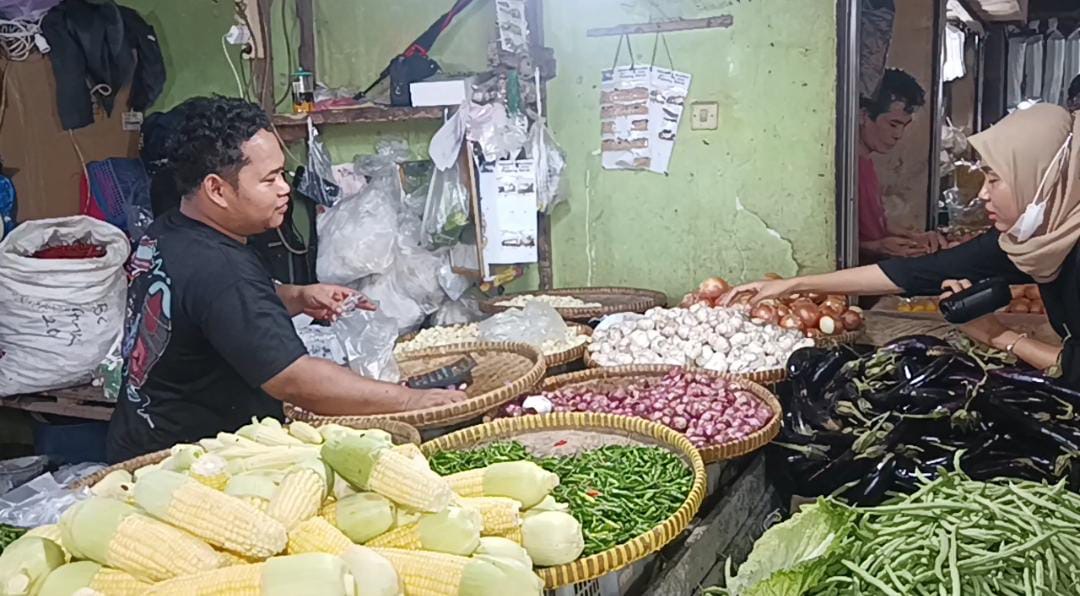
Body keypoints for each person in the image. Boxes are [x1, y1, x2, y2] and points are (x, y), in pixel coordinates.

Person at [106, 96, 466, 462]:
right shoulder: (220, 268)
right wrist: (409, 400)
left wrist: (295, 296)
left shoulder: (168, 231)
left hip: (138, 437)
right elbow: (292, 379)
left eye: (281, 173)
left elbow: (209, 312)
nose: (285, 189)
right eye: (269, 179)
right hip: (181, 464)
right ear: (216, 190)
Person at [724, 104, 1080, 388]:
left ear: (1046, 182)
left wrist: (1000, 337)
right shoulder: (1033, 238)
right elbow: (916, 273)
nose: (983, 193)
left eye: (995, 178)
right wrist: (794, 284)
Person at [858, 68, 946, 260]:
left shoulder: (867, 164)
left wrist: (913, 238)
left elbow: (874, 224)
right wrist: (877, 247)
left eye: (903, 126)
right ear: (864, 116)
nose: (898, 135)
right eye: (893, 124)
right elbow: (839, 241)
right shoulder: (847, 171)